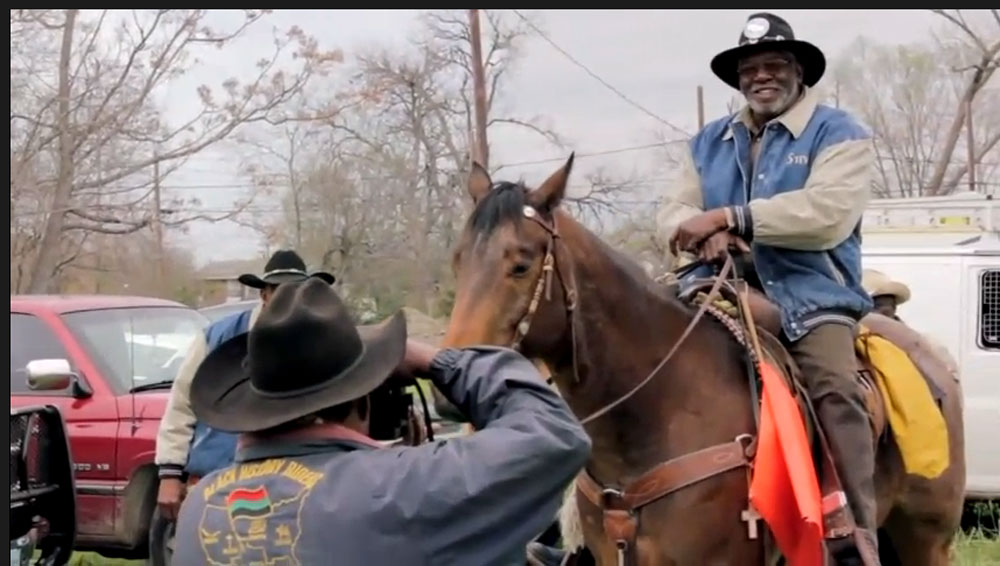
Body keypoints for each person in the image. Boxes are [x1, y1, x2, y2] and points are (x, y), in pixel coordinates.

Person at [656, 12, 880, 565]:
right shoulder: (708, 141)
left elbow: (827, 213)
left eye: (774, 65)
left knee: (834, 387)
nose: (761, 77)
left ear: (798, 71)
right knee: (628, 357)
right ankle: (590, 521)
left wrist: (732, 216)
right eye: (750, 69)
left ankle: (853, 532)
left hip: (810, 295)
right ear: (738, 79)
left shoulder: (840, 133)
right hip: (711, 285)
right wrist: (695, 231)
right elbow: (672, 210)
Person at [171, 277, 592, 565]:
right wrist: (437, 361)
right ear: (363, 399)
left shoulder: (200, 506)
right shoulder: (403, 490)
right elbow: (553, 434)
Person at [153, 249, 335, 522]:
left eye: (297, 291)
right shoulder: (217, 338)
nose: (290, 300)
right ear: (264, 294)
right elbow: (182, 404)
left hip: (290, 485)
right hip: (215, 481)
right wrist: (169, 473)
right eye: (281, 291)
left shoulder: (317, 341)